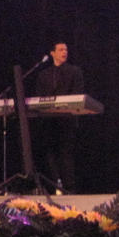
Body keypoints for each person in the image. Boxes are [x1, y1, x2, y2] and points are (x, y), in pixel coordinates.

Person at [33, 41, 85, 193]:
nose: (65, 52)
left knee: (66, 154)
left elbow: (77, 94)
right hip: (48, 121)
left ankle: (69, 189)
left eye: (66, 50)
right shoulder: (43, 74)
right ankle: (53, 186)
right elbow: (40, 97)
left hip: (67, 120)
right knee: (49, 154)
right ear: (52, 53)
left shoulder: (74, 71)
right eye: (61, 49)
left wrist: (61, 105)